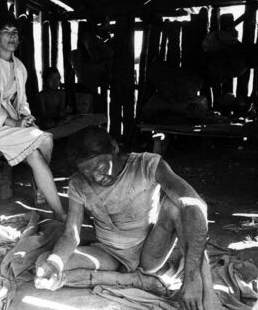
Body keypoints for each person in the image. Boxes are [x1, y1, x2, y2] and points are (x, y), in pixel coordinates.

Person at [35, 126, 222, 309]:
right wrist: (54, 263)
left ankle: (142, 277)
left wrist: (193, 277)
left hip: (150, 252)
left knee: (176, 206)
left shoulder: (147, 165)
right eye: (87, 172)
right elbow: (71, 234)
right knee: (44, 263)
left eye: (100, 167)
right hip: (109, 253)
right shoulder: (78, 183)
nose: (96, 177)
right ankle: (133, 280)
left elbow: (194, 203)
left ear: (114, 148)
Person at [0, 15, 66, 221]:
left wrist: (25, 115)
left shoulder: (19, 67)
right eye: (6, 31)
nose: (11, 36)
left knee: (37, 155)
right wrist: (14, 122)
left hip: (14, 125)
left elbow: (22, 102)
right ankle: (52, 202)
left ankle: (57, 211)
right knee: (46, 139)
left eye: (15, 32)